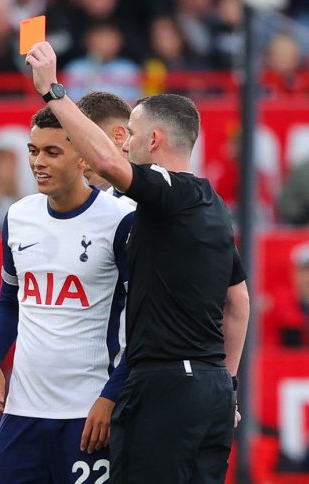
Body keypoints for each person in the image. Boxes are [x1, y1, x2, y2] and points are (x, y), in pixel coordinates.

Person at [25, 41, 250, 483]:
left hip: (166, 388)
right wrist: (227, 384)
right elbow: (239, 304)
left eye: (131, 130)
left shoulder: (168, 190)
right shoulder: (214, 207)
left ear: (154, 139)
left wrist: (52, 90)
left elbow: (108, 161)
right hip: (212, 391)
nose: (123, 141)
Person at [0, 106, 134, 483]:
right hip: (23, 411)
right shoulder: (18, 216)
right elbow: (8, 301)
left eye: (52, 152)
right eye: (33, 151)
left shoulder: (119, 221)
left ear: (82, 157)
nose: (38, 163)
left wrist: (112, 395)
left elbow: (144, 322)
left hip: (89, 413)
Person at [76, 90, 136, 207]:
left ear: (118, 135)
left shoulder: (158, 197)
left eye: (87, 145)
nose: (81, 159)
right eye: (77, 148)